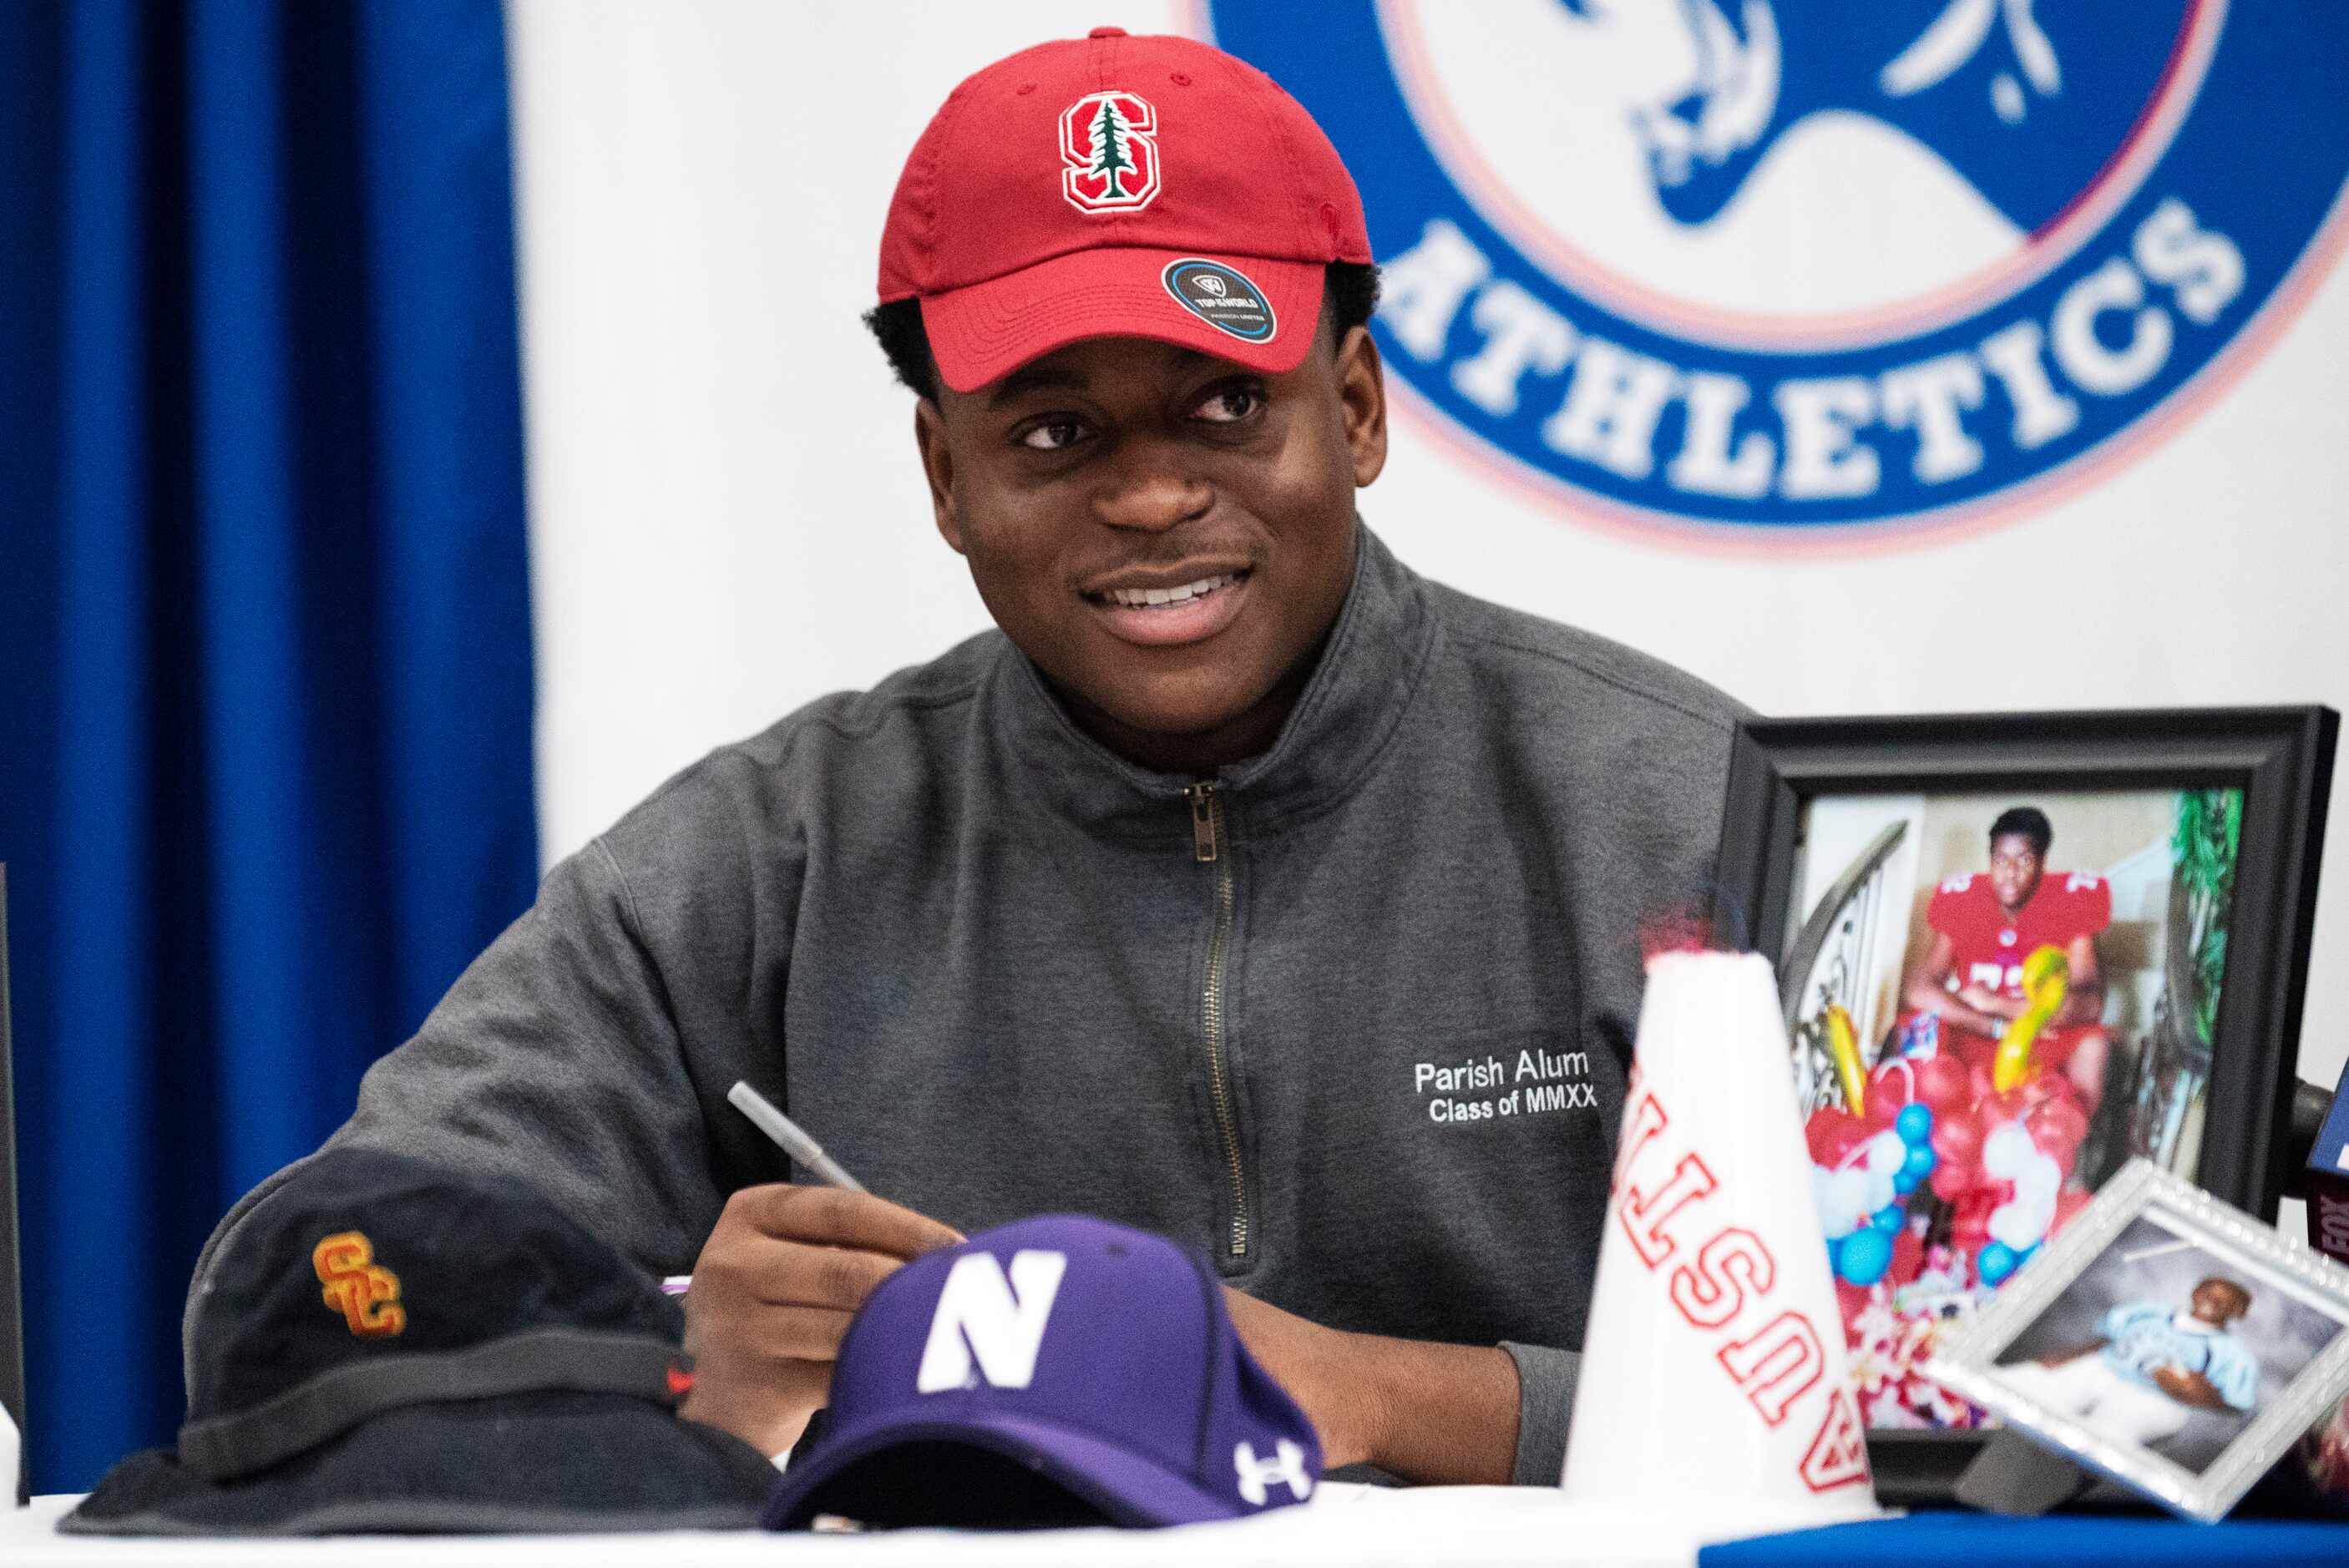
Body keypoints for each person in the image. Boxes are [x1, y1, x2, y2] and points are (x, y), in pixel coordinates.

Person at [187, 28, 1742, 1489]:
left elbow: (1930, 1390)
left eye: (1222, 404)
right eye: (1054, 433)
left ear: (1353, 407)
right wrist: (664, 1360)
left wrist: (1361, 1391)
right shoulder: (767, 857)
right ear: (946, 474)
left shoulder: (1669, 805)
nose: (1147, 497)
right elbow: (285, 1292)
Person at [1897, 806, 2114, 1110]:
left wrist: (1998, 1005)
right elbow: (1919, 989)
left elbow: (2089, 1003)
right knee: (1909, 1028)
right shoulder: (1964, 898)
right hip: (1975, 1029)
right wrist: (1991, 1025)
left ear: (2042, 863)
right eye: (2001, 860)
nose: (2010, 872)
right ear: (1990, 861)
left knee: (2094, 1045)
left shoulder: (2070, 899)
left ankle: (2070, 1148)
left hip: (2041, 1036)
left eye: (2024, 860)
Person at [2002, 1276, 2258, 1449]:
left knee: (2107, 1437)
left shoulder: (2230, 1353)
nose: (2213, 1302)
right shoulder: (2149, 1312)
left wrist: (2197, 1393)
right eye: (2209, 1293)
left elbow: (2236, 1404)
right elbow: (2108, 1339)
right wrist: (2069, 1356)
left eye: (2225, 1301)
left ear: (2238, 1312)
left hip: (2154, 1396)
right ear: (2195, 1292)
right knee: (2030, 1388)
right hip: (2107, 1366)